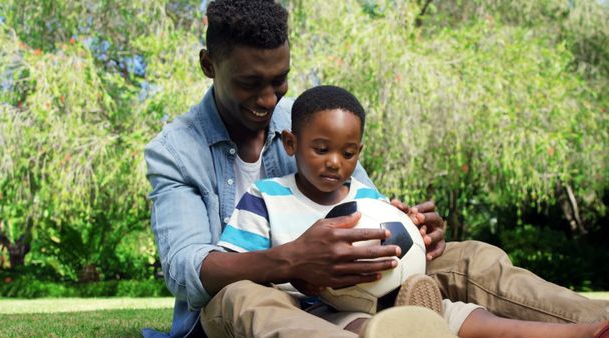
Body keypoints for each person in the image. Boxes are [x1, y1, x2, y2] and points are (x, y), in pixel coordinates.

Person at [143, 0, 609, 337]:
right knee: (244, 297)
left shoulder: (305, 124)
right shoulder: (175, 150)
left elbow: (363, 204)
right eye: (250, 83)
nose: (269, 99)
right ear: (209, 65)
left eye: (279, 79)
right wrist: (293, 259)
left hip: (346, 290)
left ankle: (594, 325)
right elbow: (185, 269)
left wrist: (411, 229)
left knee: (472, 258)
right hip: (249, 303)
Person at [216, 84, 609, 338]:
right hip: (321, 309)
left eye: (348, 153)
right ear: (290, 143)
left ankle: (583, 332)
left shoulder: (368, 199)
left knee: (466, 315)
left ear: (359, 153)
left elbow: (393, 251)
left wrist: (415, 235)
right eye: (321, 149)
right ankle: (410, 329)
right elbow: (239, 266)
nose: (335, 162)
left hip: (387, 295)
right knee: (361, 327)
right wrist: (297, 269)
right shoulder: (265, 198)